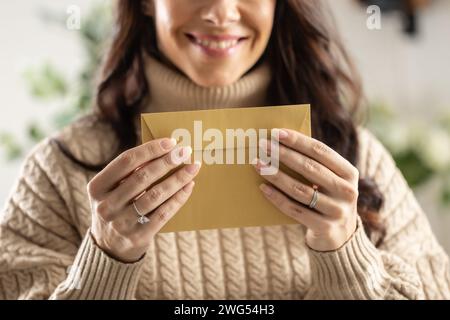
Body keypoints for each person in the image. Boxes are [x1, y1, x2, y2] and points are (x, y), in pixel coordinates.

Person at [1, 0, 449, 300]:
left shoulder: (352, 156)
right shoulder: (61, 169)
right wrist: (107, 259)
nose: (220, 11)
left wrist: (345, 254)